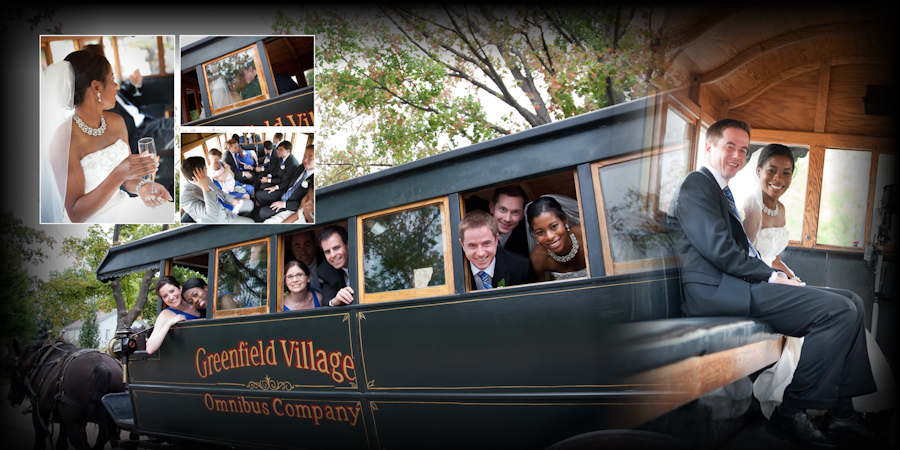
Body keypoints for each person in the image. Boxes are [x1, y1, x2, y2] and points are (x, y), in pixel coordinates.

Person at [667, 119, 877, 447]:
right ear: (709, 147)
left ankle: (842, 414)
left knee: (854, 301)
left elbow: (741, 251)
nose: (737, 155)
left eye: (742, 149)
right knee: (838, 312)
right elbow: (720, 251)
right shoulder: (697, 184)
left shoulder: (720, 191)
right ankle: (791, 412)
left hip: (740, 284)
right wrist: (773, 276)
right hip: (716, 292)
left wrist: (782, 276)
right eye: (729, 146)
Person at [743, 144, 896, 419]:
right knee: (839, 308)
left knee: (854, 301)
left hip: (778, 280)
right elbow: (747, 260)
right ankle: (826, 409)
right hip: (759, 286)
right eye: (772, 171)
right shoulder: (751, 207)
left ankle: (845, 402)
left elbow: (774, 257)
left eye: (786, 173)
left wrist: (791, 276)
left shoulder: (781, 210)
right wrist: (778, 280)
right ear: (758, 171)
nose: (779, 178)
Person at [40, 50, 172, 223]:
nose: (116, 86)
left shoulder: (117, 121)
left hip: (123, 207)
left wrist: (143, 187)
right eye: (112, 79)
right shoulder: (65, 139)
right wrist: (118, 174)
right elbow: (75, 214)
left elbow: (129, 178)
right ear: (96, 87)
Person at [459, 210, 533, 290]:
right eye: (472, 245)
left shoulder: (521, 268)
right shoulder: (449, 275)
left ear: (496, 240)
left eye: (486, 243)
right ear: (462, 244)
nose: (480, 253)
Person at [526, 196, 587, 281]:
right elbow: (543, 291)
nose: (549, 237)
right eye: (540, 232)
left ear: (564, 220)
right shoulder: (538, 258)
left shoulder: (586, 236)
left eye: (554, 226)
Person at [180, 156, 254, 223]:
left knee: (250, 204)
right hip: (219, 219)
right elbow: (212, 215)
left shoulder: (206, 177)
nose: (207, 169)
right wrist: (205, 188)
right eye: (205, 168)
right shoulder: (185, 198)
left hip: (225, 204)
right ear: (199, 173)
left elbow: (218, 191)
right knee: (251, 222)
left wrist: (231, 199)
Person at [465, 185, 530, 258]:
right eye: (503, 209)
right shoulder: (468, 209)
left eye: (515, 212)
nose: (507, 219)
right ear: (492, 207)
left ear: (522, 215)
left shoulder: (525, 241)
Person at [146, 276, 202, 355]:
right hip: (190, 355)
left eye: (172, 291)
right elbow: (150, 348)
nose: (171, 297)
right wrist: (169, 323)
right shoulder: (166, 314)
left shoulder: (194, 302)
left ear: (180, 288)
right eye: (165, 296)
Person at [260, 144, 314, 221]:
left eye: (310, 157)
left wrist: (284, 204)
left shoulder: (314, 180)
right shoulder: (301, 167)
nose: (305, 160)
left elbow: (305, 203)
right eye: (304, 156)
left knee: (263, 212)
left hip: (292, 205)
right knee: (260, 194)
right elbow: (289, 181)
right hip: (285, 191)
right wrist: (275, 187)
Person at [318, 226, 355, 307]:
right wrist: (335, 301)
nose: (333, 255)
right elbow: (327, 301)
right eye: (327, 252)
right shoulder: (325, 270)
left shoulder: (366, 260)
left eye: (336, 248)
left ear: (347, 244)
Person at [257, 141, 301, 207]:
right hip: (278, 180)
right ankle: (265, 202)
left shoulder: (292, 164)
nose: (277, 151)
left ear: (288, 151)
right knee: (262, 184)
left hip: (283, 187)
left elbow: (285, 181)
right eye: (278, 149)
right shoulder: (281, 158)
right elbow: (276, 170)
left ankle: (265, 206)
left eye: (280, 150)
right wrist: (268, 176)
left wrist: (269, 181)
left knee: (259, 193)